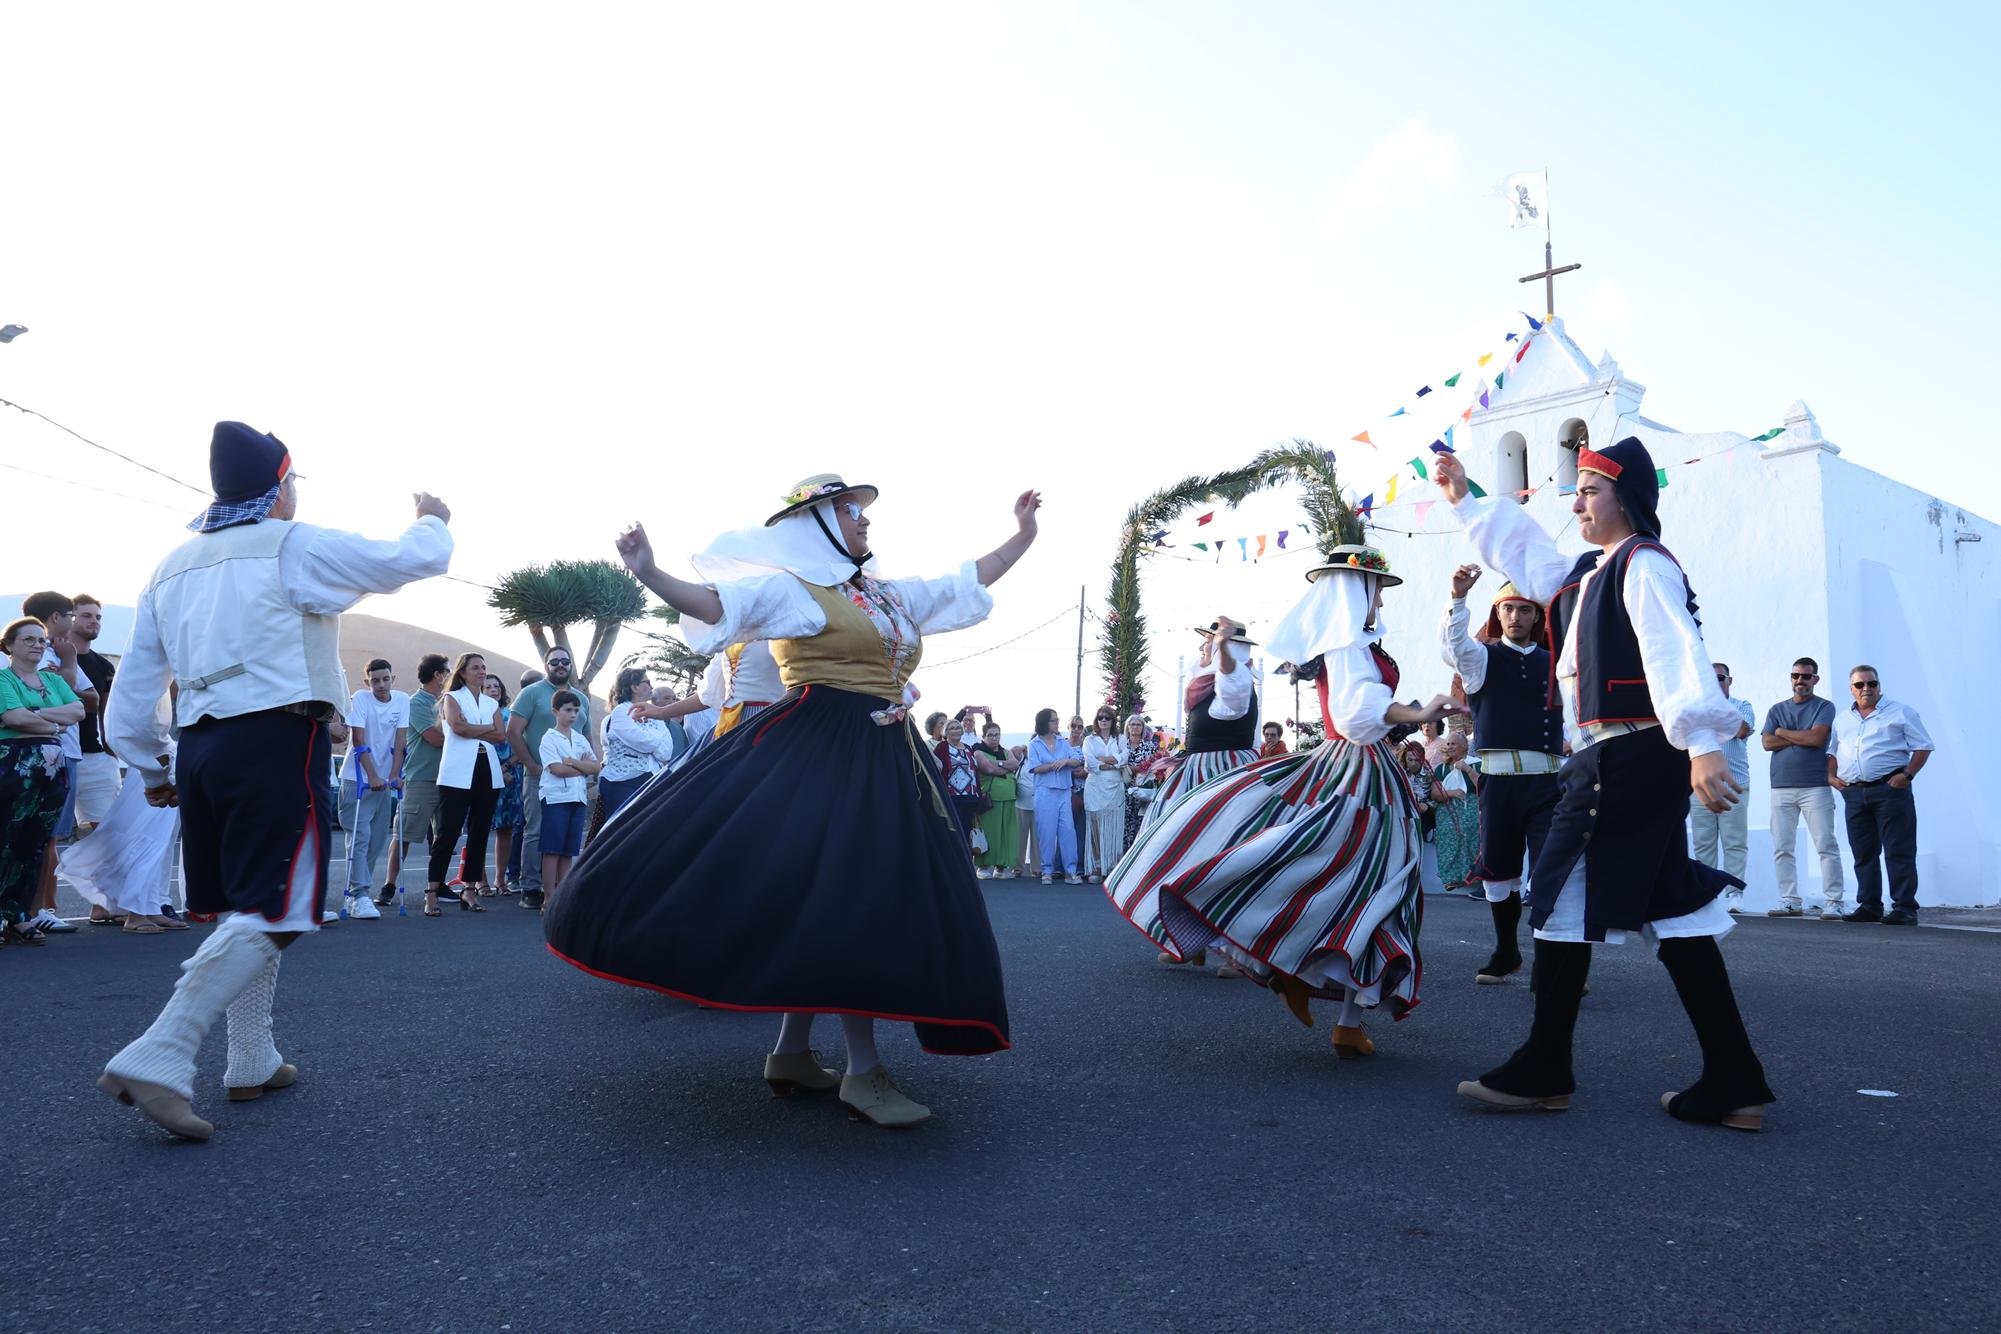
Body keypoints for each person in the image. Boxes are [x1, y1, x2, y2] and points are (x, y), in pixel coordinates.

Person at [551, 474, 1036, 1128]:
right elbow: (714, 604)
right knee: (852, 898)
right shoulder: (791, 590)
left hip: (884, 753)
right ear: (818, 523)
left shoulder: (882, 595)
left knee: (822, 900)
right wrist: (649, 572)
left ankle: (791, 1053)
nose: (863, 520)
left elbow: (961, 582)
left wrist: (1022, 536)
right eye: (849, 511)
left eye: (859, 511)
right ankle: (862, 1073)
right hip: (820, 748)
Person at [97, 421, 451, 1140]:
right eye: (294, 482)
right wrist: (433, 520)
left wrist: (153, 765)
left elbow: (132, 695)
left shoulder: (169, 567)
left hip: (199, 749)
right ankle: (161, 1051)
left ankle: (250, 1057)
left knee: (248, 905)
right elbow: (405, 561)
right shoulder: (293, 545)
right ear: (279, 486)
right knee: (283, 908)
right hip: (274, 739)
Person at [1437, 439, 1775, 1131]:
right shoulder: (1586, 574)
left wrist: (1702, 743)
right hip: (1618, 755)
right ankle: (1733, 1079)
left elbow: (1673, 649)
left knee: (1560, 891)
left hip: (1628, 752)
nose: (1575, 500)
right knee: (1672, 908)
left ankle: (1543, 1068)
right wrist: (1464, 499)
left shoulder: (1642, 563)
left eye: (1589, 489)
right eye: (1578, 489)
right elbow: (1526, 551)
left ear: (1627, 498)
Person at [1104, 539, 1462, 1057]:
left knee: (1368, 885)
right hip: (1356, 778)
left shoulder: (1356, 647)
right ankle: (1298, 972)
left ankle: (1337, 1008)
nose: (1381, 602)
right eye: (1376, 591)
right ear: (1355, 592)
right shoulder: (1345, 649)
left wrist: (1413, 710)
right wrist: (1417, 713)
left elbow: (1366, 708)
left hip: (1370, 776)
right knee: (1360, 882)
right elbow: (1359, 715)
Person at [1440, 566, 1566, 982]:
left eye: (1524, 610)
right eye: (1508, 609)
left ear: (1536, 616)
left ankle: (1555, 966)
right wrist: (1458, 599)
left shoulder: (1556, 661)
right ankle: (1507, 951)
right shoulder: (1481, 658)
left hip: (1548, 781)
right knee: (1498, 870)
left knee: (1552, 868)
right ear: (1499, 614)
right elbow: (1455, 646)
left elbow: (1580, 713)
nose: (1515, 616)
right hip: (1497, 782)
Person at [1, 617, 84, 944]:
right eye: (29, 639)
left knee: (33, 843)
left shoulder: (54, 680)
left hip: (52, 770)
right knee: (6, 838)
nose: (38, 644)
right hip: (14, 768)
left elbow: (77, 711)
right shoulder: (4, 680)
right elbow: (11, 717)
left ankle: (18, 915)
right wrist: (53, 724)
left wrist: (35, 717)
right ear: (9, 645)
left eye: (41, 640)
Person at [1832, 666, 1933, 926]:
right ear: (1851, 688)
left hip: (1889, 790)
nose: (1866, 688)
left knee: (1898, 849)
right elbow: (1832, 751)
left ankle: (1905, 907)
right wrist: (1831, 777)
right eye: (1859, 685)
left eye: (1871, 683)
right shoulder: (1843, 718)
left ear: (1879, 685)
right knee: (1863, 852)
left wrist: (1907, 776)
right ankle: (1869, 905)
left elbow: (1923, 746)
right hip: (1854, 793)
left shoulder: (1901, 712)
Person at [21, 591, 90, 935]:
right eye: (71, 615)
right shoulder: (49, 656)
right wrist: (68, 663)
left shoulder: (55, 659)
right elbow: (17, 712)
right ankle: (36, 908)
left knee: (47, 835)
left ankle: (41, 908)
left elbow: (81, 704)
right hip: (36, 755)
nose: (75, 622)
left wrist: (42, 714)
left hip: (63, 751)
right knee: (36, 834)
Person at [506, 646, 592, 911]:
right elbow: (513, 731)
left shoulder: (580, 698)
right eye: (554, 661)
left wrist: (587, 770)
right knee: (537, 831)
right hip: (541, 777)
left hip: (574, 782)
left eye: (565, 661)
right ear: (546, 665)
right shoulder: (531, 694)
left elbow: (586, 738)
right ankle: (530, 887)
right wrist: (531, 764)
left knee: (567, 838)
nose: (560, 665)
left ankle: (559, 890)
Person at [1761, 657, 1845, 919]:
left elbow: (1817, 738)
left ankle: (1834, 900)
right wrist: (1800, 736)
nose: (1800, 681)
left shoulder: (1824, 707)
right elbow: (1766, 743)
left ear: (1815, 679)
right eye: (1795, 676)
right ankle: (1790, 900)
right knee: (1782, 847)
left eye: (1806, 676)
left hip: (1815, 787)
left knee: (1825, 844)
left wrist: (1783, 732)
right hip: (1781, 787)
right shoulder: (1777, 708)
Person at [429, 652, 506, 915]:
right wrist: (483, 728)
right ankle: (432, 891)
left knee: (480, 831)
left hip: (488, 770)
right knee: (448, 832)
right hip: (457, 772)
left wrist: (473, 726)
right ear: (462, 672)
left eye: (484, 667)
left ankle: (470, 889)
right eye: (476, 668)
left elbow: (500, 736)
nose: (482, 672)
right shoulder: (452, 698)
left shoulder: (490, 704)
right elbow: (457, 728)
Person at [339, 658, 407, 920]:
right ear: (368, 682)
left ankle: (361, 893)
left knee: (377, 839)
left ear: (393, 679)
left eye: (385, 679)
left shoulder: (401, 700)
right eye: (375, 680)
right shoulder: (360, 699)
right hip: (357, 778)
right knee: (360, 837)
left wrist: (393, 774)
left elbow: (400, 741)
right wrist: (373, 775)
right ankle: (359, 895)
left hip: (384, 782)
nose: (380, 684)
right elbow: (358, 740)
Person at [1687, 663, 1757, 909]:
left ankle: (1734, 894)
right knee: (1703, 843)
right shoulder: (1695, 708)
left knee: (1734, 842)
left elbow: (1741, 729)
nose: (1714, 682)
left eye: (1719, 678)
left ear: (1730, 680)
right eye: (1709, 678)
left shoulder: (1741, 706)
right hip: (1701, 787)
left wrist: (1713, 717)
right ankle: (1707, 895)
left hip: (1734, 785)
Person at [383, 654, 448, 908]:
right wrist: (462, 729)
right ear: (438, 675)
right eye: (447, 672)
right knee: (405, 833)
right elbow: (435, 738)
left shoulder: (448, 701)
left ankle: (437, 886)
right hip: (422, 778)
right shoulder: (417, 703)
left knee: (444, 836)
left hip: (449, 778)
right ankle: (389, 884)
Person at [69, 595, 124, 832]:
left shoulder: (104, 666)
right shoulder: (47, 657)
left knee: (106, 832)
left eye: (98, 617)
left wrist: (110, 751)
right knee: (46, 835)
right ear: (69, 618)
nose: (94, 621)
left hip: (96, 757)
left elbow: (108, 710)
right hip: (60, 755)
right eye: (86, 615)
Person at [534, 690, 597, 897]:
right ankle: (549, 897)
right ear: (555, 711)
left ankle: (563, 895)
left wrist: (574, 762)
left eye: (576, 710)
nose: (573, 714)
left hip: (578, 797)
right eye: (568, 710)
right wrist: (583, 767)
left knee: (569, 850)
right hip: (556, 798)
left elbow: (596, 767)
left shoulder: (580, 739)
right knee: (553, 848)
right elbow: (557, 770)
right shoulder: (549, 739)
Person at [600, 667, 681, 821]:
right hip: (623, 783)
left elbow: (666, 752)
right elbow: (644, 743)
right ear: (634, 686)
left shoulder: (653, 712)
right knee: (621, 832)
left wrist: (651, 739)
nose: (651, 687)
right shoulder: (620, 712)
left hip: (651, 779)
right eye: (647, 682)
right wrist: (655, 739)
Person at [476, 674, 523, 894]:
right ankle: (480, 880)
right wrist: (497, 770)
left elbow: (521, 744)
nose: (493, 689)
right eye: (487, 687)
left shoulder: (511, 715)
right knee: (481, 829)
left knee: (506, 830)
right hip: (484, 777)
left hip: (511, 778)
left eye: (496, 686)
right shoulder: (478, 715)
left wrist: (508, 767)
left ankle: (501, 880)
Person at [1028, 707, 1084, 884]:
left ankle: (1071, 871)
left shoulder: (1063, 742)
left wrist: (1066, 761)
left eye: (1057, 720)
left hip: (1064, 792)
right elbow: (1035, 768)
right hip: (1045, 792)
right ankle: (1047, 870)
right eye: (1054, 720)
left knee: (1068, 831)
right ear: (1044, 722)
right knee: (1047, 832)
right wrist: (1054, 765)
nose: (1057, 722)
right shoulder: (1034, 744)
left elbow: (1078, 760)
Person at [968, 717, 1022, 879]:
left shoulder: (1006, 751)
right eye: (991, 735)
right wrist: (1003, 766)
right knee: (989, 832)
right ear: (983, 736)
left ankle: (1000, 867)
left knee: (1006, 833)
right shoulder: (978, 751)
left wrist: (997, 764)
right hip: (990, 799)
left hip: (1008, 797)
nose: (994, 738)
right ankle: (982, 866)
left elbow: (1014, 764)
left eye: (997, 734)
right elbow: (987, 768)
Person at [1080, 707, 1127, 882]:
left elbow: (1124, 758)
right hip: (1095, 785)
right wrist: (1112, 761)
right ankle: (1098, 865)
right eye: (1100, 717)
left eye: (1107, 717)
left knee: (1114, 825)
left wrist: (1104, 760)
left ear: (1112, 720)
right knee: (1095, 827)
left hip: (1115, 785)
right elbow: (1089, 761)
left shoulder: (1120, 738)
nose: (1104, 720)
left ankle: (1113, 864)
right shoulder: (1089, 740)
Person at [1120, 716, 1160, 850]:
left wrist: (1130, 768)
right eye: (1132, 724)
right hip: (1122, 790)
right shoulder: (1121, 745)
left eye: (1138, 724)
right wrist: (1136, 768)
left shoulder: (1149, 747)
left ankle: (1137, 851)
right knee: (1123, 823)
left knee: (1140, 822)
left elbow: (1152, 767)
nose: (1135, 727)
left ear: (1143, 728)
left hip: (1141, 791)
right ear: (1127, 727)